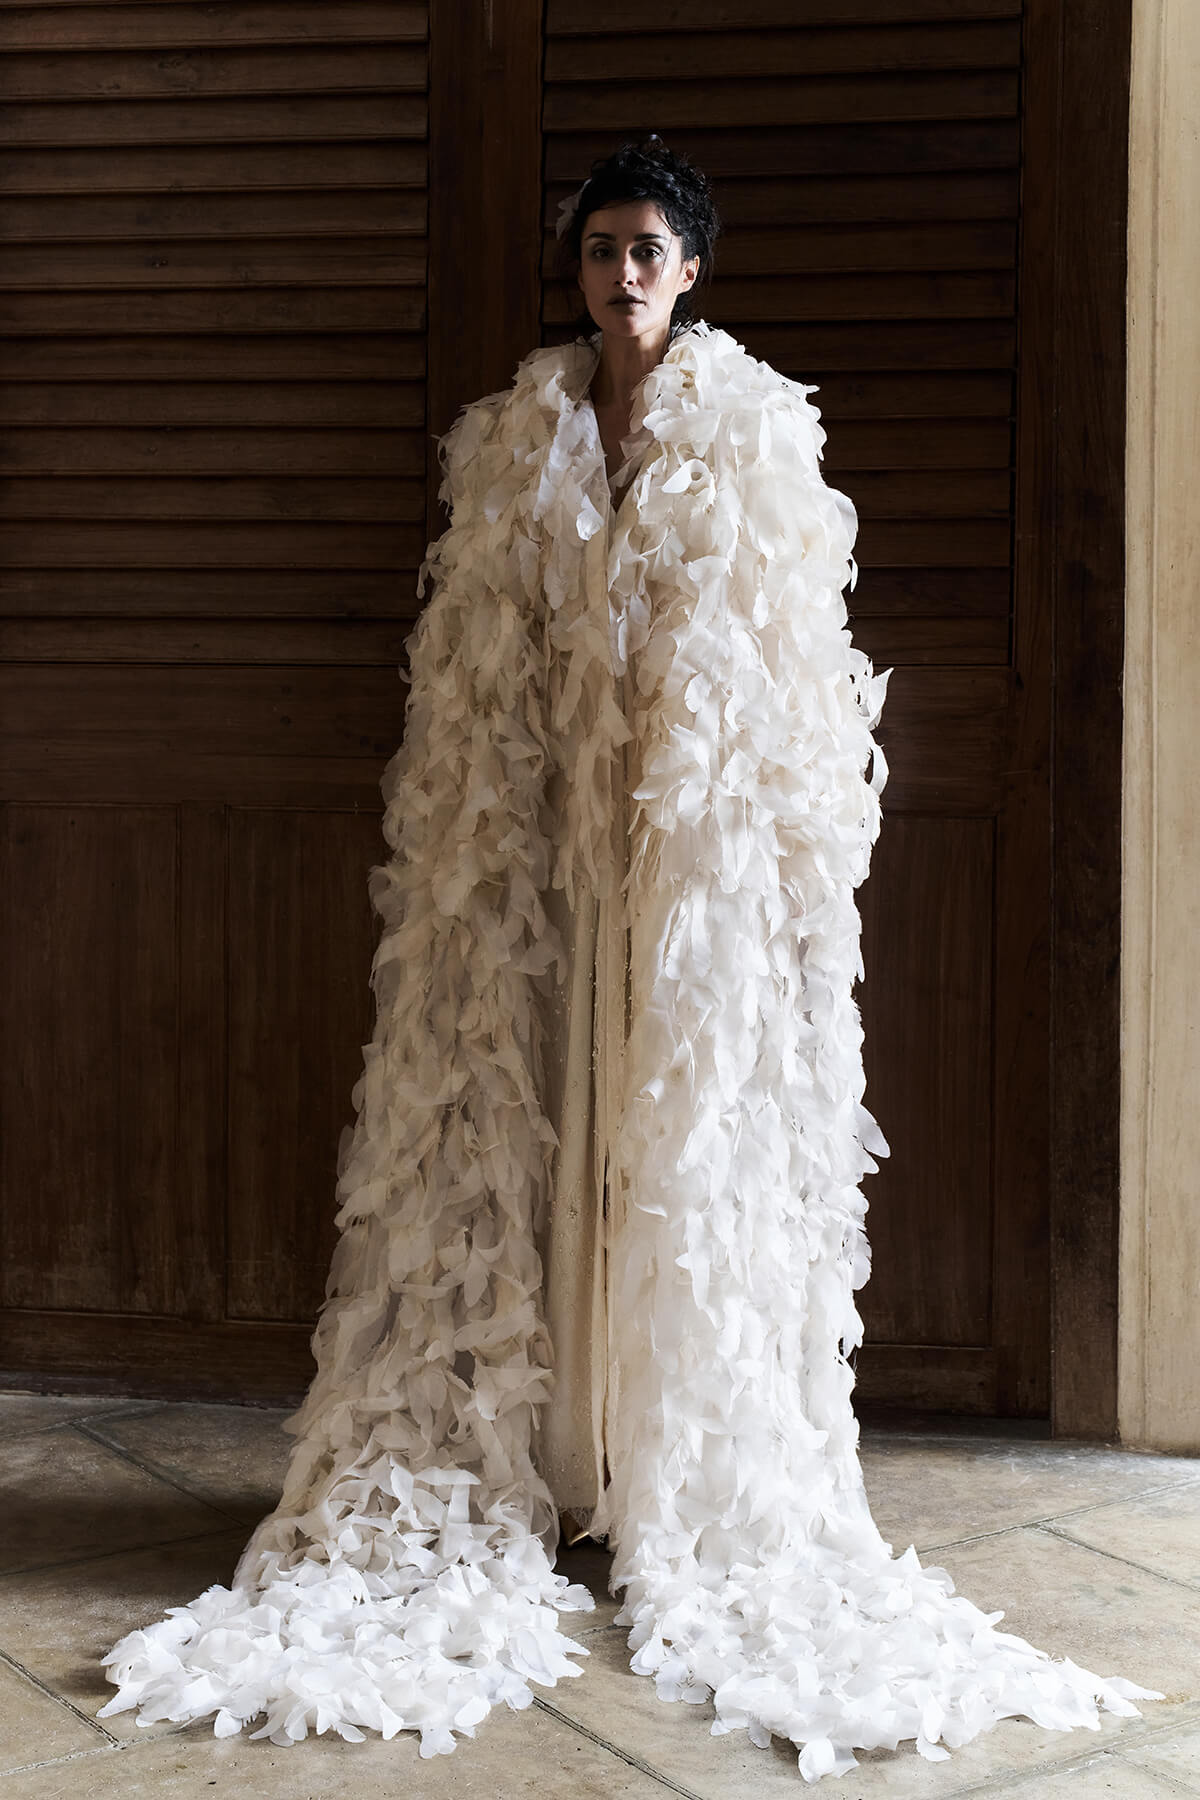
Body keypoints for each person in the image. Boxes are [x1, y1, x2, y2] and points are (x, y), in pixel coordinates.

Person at [97, 134, 1156, 1782]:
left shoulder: (756, 430)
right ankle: (550, 1461)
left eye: (649, 248)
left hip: (684, 857)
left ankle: (660, 1469)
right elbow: (474, 660)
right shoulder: (518, 434)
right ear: (579, 271)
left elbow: (791, 666)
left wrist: (747, 861)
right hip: (544, 849)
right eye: (601, 249)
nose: (623, 274)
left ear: (694, 269)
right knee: (533, 1124)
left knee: (669, 1132)